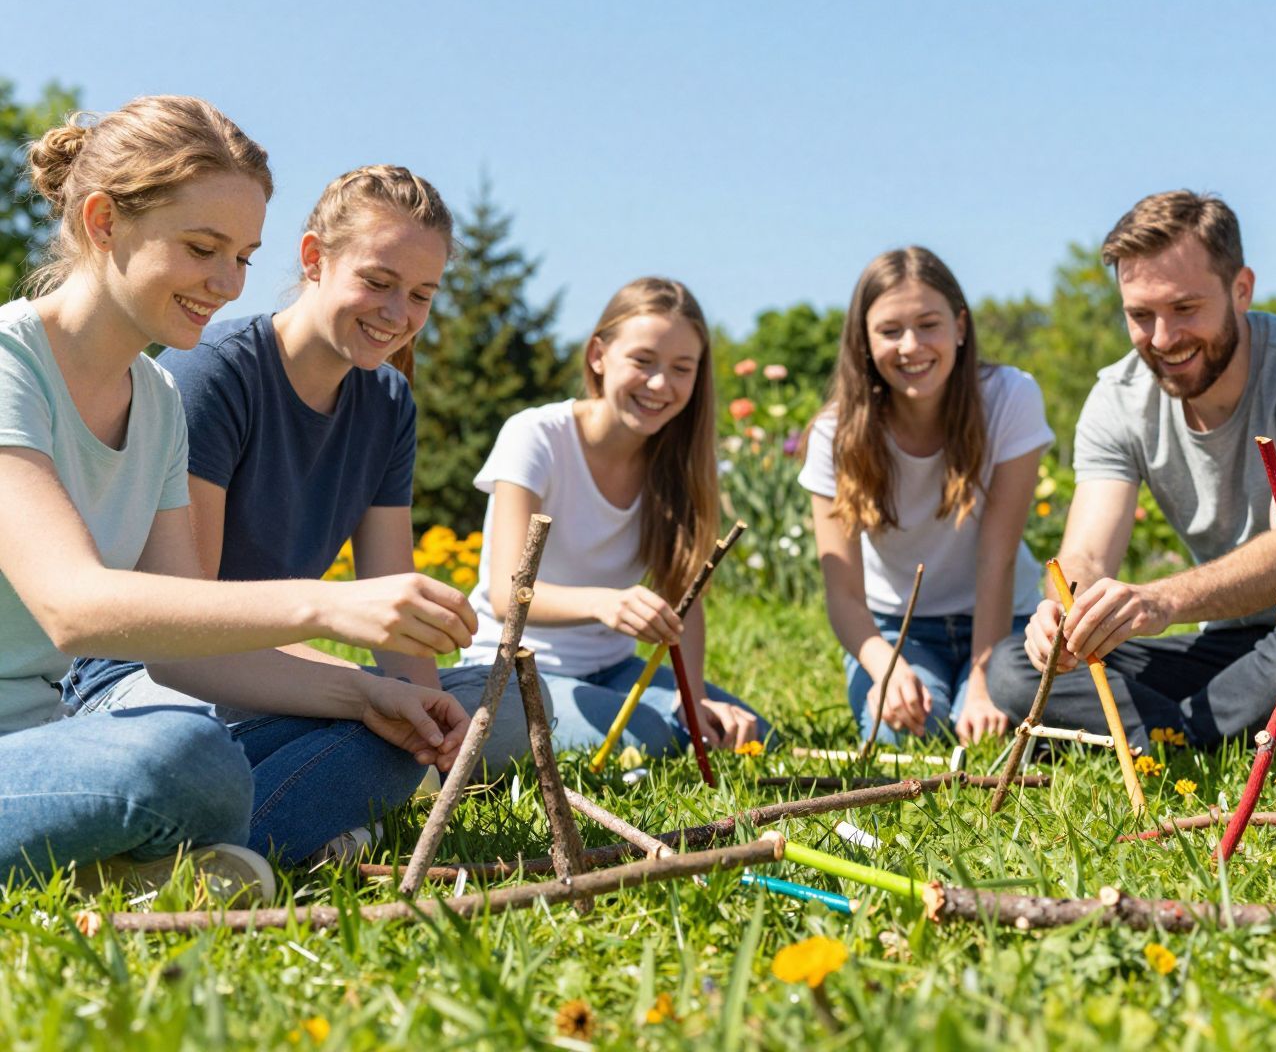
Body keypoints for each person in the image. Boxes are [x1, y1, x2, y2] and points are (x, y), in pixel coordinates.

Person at [0, 97, 474, 894]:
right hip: (65, 747)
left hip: (57, 742)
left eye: (243, 257)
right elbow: (73, 608)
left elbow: (182, 646)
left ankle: (157, 864)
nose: (226, 284)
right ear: (104, 221)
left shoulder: (151, 399)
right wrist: (324, 608)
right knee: (184, 757)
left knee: (383, 738)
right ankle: (194, 852)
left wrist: (368, 692)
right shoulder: (12, 365)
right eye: (201, 248)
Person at [68, 165, 530, 867]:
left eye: (421, 295)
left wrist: (431, 735)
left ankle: (270, 827)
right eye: (377, 282)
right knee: (363, 734)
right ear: (315, 259)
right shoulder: (215, 374)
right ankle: (250, 839)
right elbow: (190, 625)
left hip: (276, 674)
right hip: (153, 676)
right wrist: (367, 698)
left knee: (503, 707)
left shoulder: (388, 404)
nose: (396, 313)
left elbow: (396, 622)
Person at [985, 190, 1276, 750]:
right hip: (1224, 650)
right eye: (1140, 316)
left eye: (1185, 309)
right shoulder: (1116, 397)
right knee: (1014, 665)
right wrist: (1068, 616)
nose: (1162, 339)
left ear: (1241, 289)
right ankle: (1208, 736)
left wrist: (1160, 602)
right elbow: (1085, 554)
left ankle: (1158, 737)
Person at [458, 277, 766, 756]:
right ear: (599, 355)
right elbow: (504, 595)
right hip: (514, 667)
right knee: (656, 738)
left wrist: (696, 696)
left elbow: (687, 598)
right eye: (643, 361)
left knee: (742, 731)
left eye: (682, 368)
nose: (660, 384)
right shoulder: (535, 436)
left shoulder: (676, 462)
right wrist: (604, 603)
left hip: (613, 670)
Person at [802, 247, 1052, 744]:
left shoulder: (1010, 398)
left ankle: (978, 682)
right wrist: (884, 668)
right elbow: (844, 593)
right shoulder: (835, 434)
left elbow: (996, 560)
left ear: (960, 326)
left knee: (999, 728)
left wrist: (982, 683)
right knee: (904, 731)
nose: (911, 346)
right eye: (890, 331)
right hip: (899, 628)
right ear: (865, 342)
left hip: (1006, 616)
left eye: (928, 324)